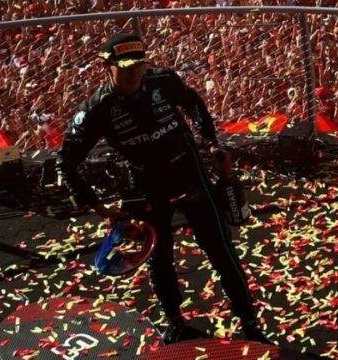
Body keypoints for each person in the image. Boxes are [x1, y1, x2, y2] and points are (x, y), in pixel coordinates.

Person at [57, 28, 271, 345]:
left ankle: (249, 322)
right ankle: (174, 320)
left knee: (221, 249)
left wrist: (211, 143)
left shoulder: (163, 82)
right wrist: (98, 207)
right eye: (125, 69)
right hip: (145, 185)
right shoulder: (96, 110)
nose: (133, 75)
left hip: (189, 173)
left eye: (138, 66)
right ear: (108, 67)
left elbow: (195, 104)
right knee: (159, 258)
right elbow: (66, 161)